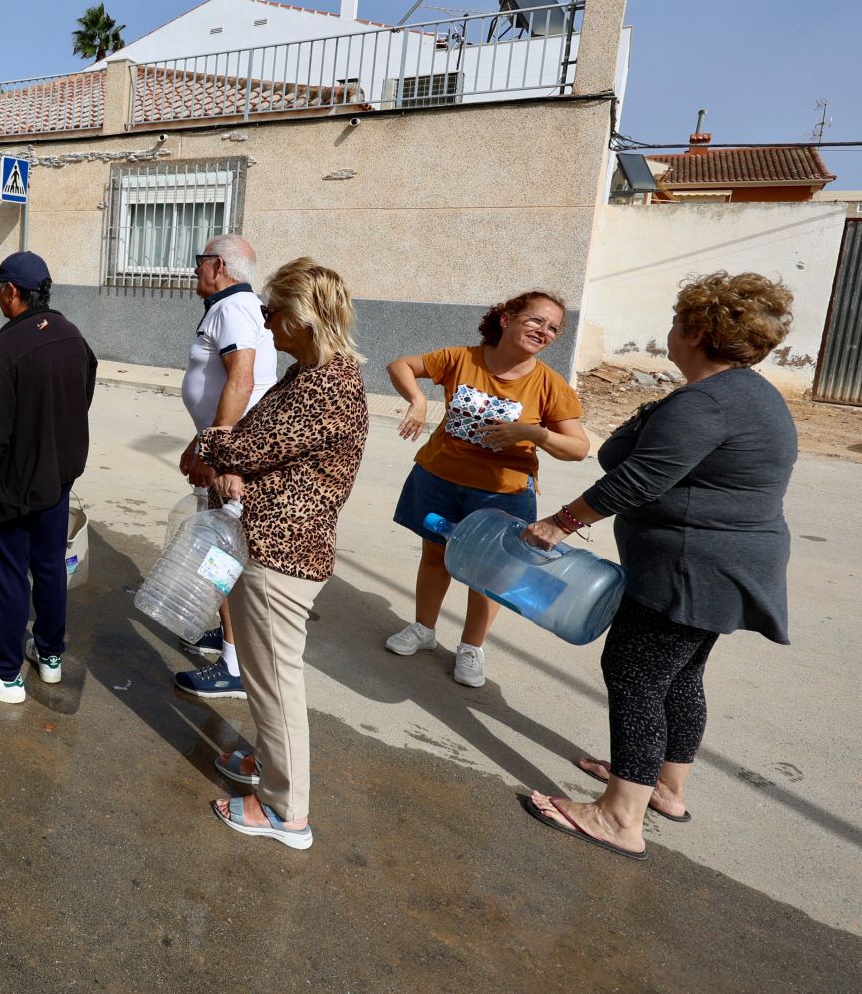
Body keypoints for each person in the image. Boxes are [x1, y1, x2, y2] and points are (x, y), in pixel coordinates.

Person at [518, 273, 797, 861]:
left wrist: (558, 523)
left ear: (697, 332)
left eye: (675, 323)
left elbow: (638, 477)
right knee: (679, 675)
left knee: (636, 674)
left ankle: (619, 815)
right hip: (727, 562)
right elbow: (632, 452)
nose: (668, 332)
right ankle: (664, 787)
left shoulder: (710, 402)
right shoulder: (745, 393)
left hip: (692, 567)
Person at [194, 258, 368, 850]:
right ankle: (271, 767)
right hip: (272, 539)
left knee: (274, 683)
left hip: (281, 553)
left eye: (272, 308)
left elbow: (248, 444)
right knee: (270, 677)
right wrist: (232, 466)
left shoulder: (324, 386)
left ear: (302, 316)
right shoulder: (314, 373)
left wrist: (212, 448)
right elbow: (264, 454)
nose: (263, 316)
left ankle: (285, 811)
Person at [381, 290, 591, 687]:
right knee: (434, 555)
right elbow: (399, 365)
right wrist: (418, 399)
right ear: (507, 318)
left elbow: (579, 449)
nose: (543, 331)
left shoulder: (550, 385)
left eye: (553, 328)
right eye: (535, 320)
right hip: (439, 476)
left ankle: (471, 647)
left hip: (502, 493)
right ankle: (424, 629)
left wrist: (534, 433)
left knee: (489, 573)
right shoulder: (462, 358)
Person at [0, 252, 97, 703]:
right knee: (49, 565)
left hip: (12, 480)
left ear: (13, 292)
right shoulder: (71, 334)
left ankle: (6, 672)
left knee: (10, 571)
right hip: (57, 475)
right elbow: (83, 392)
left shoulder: (6, 347)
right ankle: (50, 654)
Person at [173, 234, 278, 700]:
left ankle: (235, 667)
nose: (195, 270)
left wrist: (212, 450)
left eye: (199, 262)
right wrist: (200, 437)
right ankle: (227, 635)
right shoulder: (232, 306)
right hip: (227, 442)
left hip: (232, 454)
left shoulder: (233, 309)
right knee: (222, 550)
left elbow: (242, 377)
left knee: (226, 556)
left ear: (218, 266)